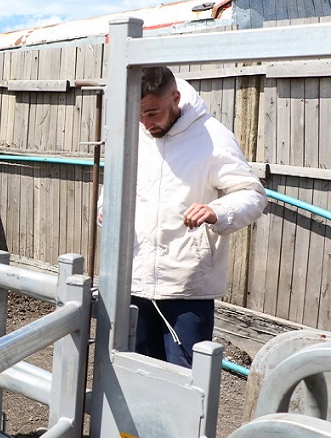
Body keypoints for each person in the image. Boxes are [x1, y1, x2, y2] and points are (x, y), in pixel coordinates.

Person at [111, 66, 266, 368]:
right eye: (139, 115)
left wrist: (217, 211)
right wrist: (109, 204)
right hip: (134, 280)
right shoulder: (136, 133)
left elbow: (253, 194)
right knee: (136, 372)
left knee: (184, 381)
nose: (146, 123)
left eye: (152, 113)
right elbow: (118, 181)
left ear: (176, 97)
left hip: (186, 286)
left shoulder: (212, 138)